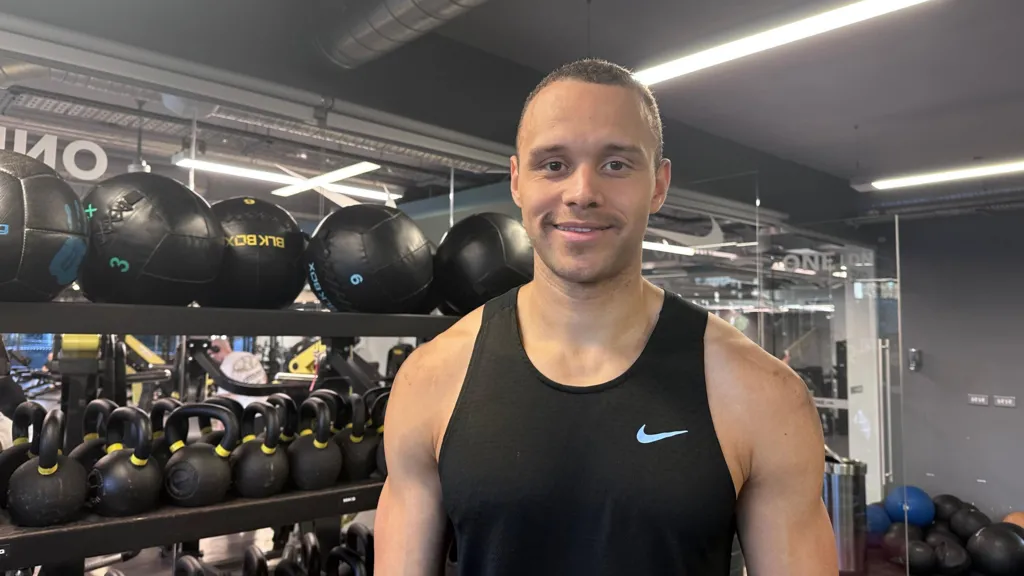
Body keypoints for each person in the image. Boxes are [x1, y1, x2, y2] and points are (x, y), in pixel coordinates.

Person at [376, 59, 837, 575]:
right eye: (553, 164)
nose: (581, 192)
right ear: (516, 182)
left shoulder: (762, 394)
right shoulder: (430, 379)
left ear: (659, 185)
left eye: (616, 164)